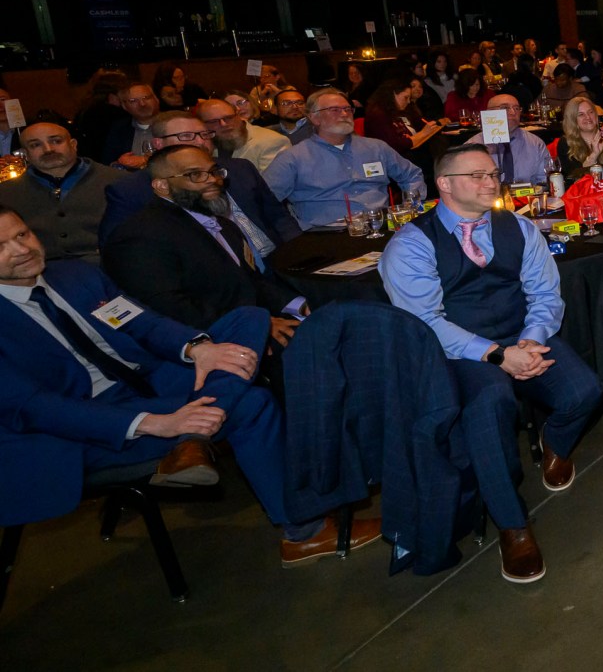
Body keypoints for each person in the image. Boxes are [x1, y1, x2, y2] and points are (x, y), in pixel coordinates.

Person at [0, 206, 380, 566]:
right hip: (89, 424)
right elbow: (34, 408)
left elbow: (139, 323)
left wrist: (197, 349)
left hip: (147, 378)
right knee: (252, 403)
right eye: (2, 246)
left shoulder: (74, 276)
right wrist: (154, 422)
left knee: (249, 318)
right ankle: (303, 532)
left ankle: (193, 439)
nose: (22, 250)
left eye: (23, 234)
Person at [379, 143, 603, 583]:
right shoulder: (411, 244)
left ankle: (554, 442)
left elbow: (544, 294)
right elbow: (424, 323)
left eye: (492, 175)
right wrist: (497, 355)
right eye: (477, 176)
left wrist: (530, 342)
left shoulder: (518, 227)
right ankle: (513, 526)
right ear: (444, 185)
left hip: (521, 337)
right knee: (489, 407)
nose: (490, 183)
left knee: (585, 392)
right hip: (458, 351)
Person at [102, 146, 307, 347]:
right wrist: (256, 326)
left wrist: (299, 306)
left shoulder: (225, 225)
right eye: (195, 174)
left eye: (213, 172)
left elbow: (251, 282)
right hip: (211, 342)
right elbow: (168, 308)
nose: (212, 180)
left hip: (255, 320)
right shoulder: (139, 235)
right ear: (162, 186)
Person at [98, 112, 301, 259]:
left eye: (205, 135)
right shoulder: (133, 190)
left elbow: (279, 217)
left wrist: (298, 252)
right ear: (158, 144)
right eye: (186, 136)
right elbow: (119, 249)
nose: (199, 142)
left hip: (277, 259)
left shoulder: (240, 169)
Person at [262, 89, 427, 229]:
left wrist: (411, 208)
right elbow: (265, 200)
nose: (344, 114)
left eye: (348, 109)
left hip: (381, 227)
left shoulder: (375, 148)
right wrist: (288, 232)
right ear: (314, 117)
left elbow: (411, 175)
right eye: (334, 110)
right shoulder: (293, 158)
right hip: (328, 233)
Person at [0, 122, 115, 264]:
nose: (48, 149)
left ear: (73, 144)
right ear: (25, 154)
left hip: (110, 269)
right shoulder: (6, 194)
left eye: (56, 141)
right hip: (40, 275)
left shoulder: (117, 181)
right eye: (35, 145)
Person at [198, 98, 290, 174]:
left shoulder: (273, 142)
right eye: (213, 121)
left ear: (238, 115)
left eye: (228, 118)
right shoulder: (204, 143)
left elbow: (270, 190)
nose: (223, 124)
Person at [362, 81, 443, 166]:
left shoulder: (400, 110)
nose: (408, 102)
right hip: (395, 160)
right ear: (393, 94)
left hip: (410, 154)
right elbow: (395, 145)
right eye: (405, 97)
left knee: (437, 142)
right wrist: (423, 133)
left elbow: (420, 124)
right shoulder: (378, 115)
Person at [482, 95, 557, 186]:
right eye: (505, 108)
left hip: (527, 198)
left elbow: (544, 181)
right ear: (489, 112)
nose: (513, 112)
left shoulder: (535, 144)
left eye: (517, 108)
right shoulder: (473, 146)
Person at [96, 81, 163, 169]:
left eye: (146, 97)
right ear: (124, 106)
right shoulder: (119, 129)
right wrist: (119, 164)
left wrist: (145, 160)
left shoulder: (173, 122)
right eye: (133, 101)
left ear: (156, 99)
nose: (142, 104)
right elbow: (106, 164)